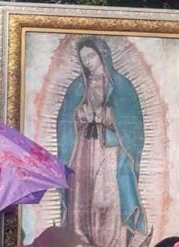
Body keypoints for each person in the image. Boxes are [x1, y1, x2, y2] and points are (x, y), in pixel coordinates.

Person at [57, 37, 149, 246]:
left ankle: (111, 241)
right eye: (84, 59)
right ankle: (80, 240)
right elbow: (65, 120)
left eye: (91, 56)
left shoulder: (122, 86)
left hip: (110, 151)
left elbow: (132, 122)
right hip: (83, 150)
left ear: (102, 55)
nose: (88, 62)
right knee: (82, 196)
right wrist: (81, 113)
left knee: (106, 199)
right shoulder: (77, 86)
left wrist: (105, 115)